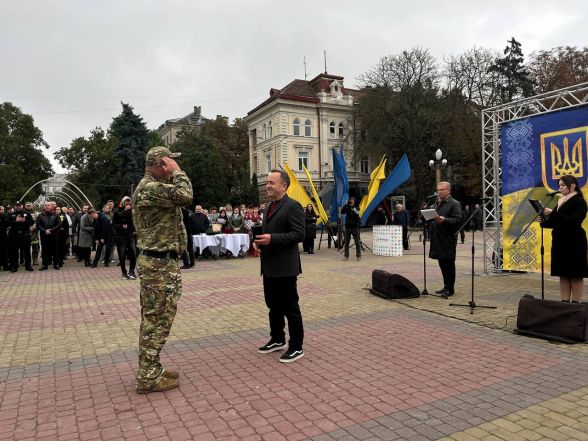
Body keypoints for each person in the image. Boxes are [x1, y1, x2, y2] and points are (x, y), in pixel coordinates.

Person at [133, 146, 193, 394]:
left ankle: (152, 368)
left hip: (161, 262)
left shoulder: (155, 188)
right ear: (160, 164)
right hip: (157, 265)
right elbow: (185, 195)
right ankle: (148, 378)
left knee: (156, 319)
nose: (171, 167)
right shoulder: (149, 188)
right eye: (168, 163)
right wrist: (178, 173)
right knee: (156, 320)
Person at [254, 169, 305, 363]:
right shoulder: (269, 207)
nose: (267, 185)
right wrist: (258, 242)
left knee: (290, 307)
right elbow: (267, 233)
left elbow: (298, 234)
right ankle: (277, 339)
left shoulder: (293, 206)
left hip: (285, 267)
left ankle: (296, 346)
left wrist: (272, 239)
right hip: (269, 266)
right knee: (273, 306)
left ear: (284, 185)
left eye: (271, 182)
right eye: (267, 182)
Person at [541, 175, 587, 303]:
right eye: (559, 185)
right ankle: (564, 303)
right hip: (560, 242)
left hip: (574, 242)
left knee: (575, 275)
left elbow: (574, 221)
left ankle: (575, 305)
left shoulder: (579, 201)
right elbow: (557, 221)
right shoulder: (561, 200)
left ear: (572, 186)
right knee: (563, 273)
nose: (560, 188)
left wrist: (553, 214)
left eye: (562, 185)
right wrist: (545, 220)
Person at [429, 182, 462, 298]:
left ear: (448, 190)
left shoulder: (454, 204)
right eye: (438, 189)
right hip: (437, 238)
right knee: (442, 263)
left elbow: (458, 221)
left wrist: (443, 220)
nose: (439, 192)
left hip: (448, 239)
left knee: (448, 264)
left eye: (442, 189)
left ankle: (450, 288)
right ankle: (445, 286)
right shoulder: (437, 203)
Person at [113, 197, 137, 279]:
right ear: (123, 203)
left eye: (130, 204)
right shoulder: (117, 212)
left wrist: (135, 230)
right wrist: (121, 226)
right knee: (122, 255)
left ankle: (132, 271)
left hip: (130, 235)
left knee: (133, 254)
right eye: (127, 204)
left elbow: (135, 222)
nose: (128, 205)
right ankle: (124, 272)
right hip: (121, 236)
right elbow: (114, 224)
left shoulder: (133, 212)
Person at [7, 201, 34, 272]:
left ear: (22, 206)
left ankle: (28, 266)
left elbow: (32, 222)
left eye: (19, 205)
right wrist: (15, 221)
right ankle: (14, 266)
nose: (18, 207)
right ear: (14, 206)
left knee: (27, 251)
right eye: (16, 205)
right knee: (14, 251)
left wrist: (24, 221)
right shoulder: (11, 214)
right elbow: (7, 223)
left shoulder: (27, 213)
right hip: (14, 235)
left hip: (25, 235)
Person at [36, 202, 61, 270]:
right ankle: (44, 265)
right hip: (44, 235)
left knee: (55, 250)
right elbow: (38, 225)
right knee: (44, 250)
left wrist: (51, 230)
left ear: (51, 207)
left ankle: (56, 264)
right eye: (45, 205)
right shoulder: (40, 215)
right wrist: (45, 230)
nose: (46, 206)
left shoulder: (56, 215)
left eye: (48, 205)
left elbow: (58, 224)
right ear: (44, 207)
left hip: (54, 235)